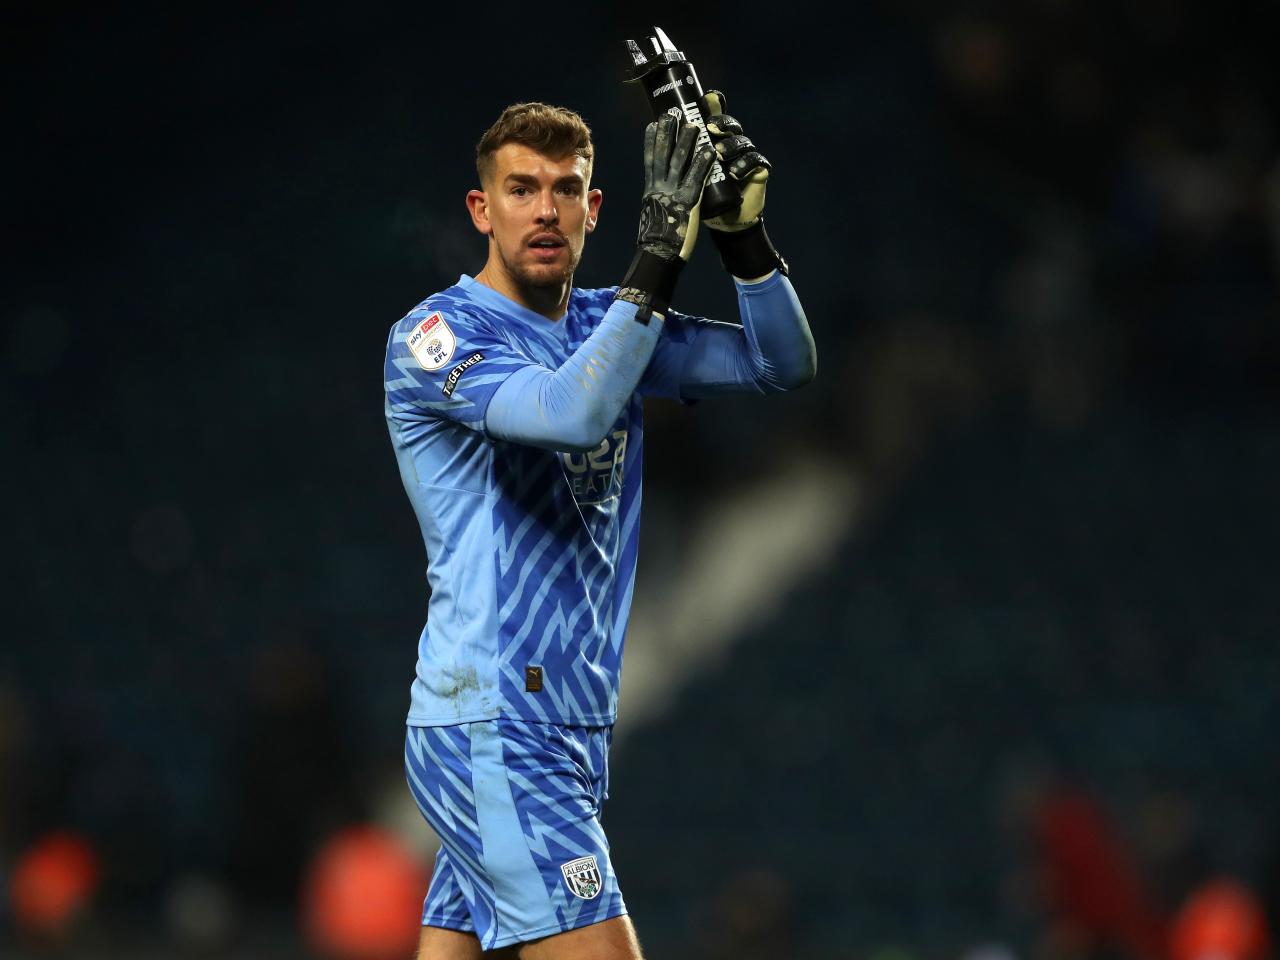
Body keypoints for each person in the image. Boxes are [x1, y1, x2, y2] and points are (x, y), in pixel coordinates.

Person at [383, 94, 816, 959]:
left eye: (566, 188)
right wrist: (660, 254)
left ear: (594, 208)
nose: (546, 208)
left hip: (559, 730)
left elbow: (783, 363)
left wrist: (739, 235)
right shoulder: (435, 337)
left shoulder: (606, 324)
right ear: (482, 209)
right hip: (497, 721)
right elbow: (568, 411)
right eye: (521, 188)